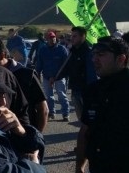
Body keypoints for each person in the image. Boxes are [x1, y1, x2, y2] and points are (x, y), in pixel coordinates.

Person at [76, 37, 129, 173]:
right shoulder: (93, 90)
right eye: (94, 55)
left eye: (101, 55)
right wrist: (79, 166)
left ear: (121, 59)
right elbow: (85, 130)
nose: (94, 59)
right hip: (99, 165)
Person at [0, 37, 49, 132]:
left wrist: (37, 136)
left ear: (2, 55)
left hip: (24, 133)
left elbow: (43, 109)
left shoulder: (26, 75)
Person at [54, 26, 97, 121]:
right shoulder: (72, 53)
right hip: (75, 89)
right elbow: (67, 69)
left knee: (90, 119)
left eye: (75, 36)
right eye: (71, 36)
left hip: (86, 90)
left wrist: (92, 91)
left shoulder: (88, 53)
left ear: (83, 37)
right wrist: (56, 77)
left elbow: (91, 74)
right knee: (81, 119)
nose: (71, 38)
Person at [35, 31, 70, 121]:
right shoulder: (43, 50)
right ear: (46, 39)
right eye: (50, 37)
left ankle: (65, 114)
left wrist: (60, 76)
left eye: (53, 37)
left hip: (59, 77)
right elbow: (39, 63)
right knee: (48, 96)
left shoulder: (62, 49)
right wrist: (37, 73)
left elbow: (66, 64)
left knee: (62, 95)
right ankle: (51, 112)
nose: (52, 39)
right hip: (47, 76)